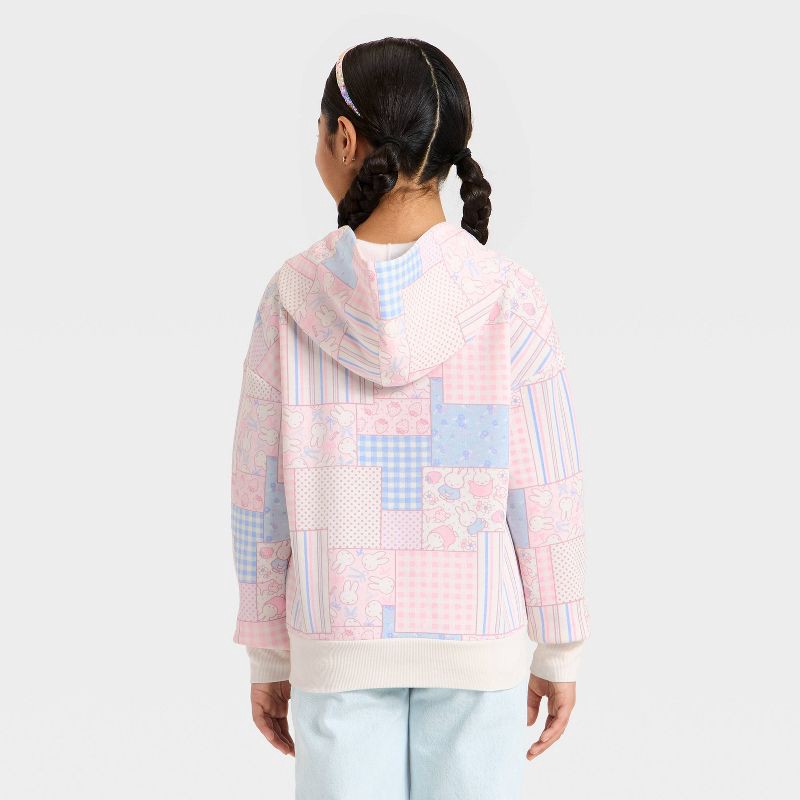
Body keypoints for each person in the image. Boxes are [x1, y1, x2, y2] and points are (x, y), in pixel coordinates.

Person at [229, 36, 590, 800]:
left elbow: (259, 489)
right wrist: (558, 643)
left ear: (345, 138)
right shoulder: (508, 296)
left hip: (337, 639)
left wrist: (269, 650)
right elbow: (548, 484)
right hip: (477, 643)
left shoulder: (292, 297)